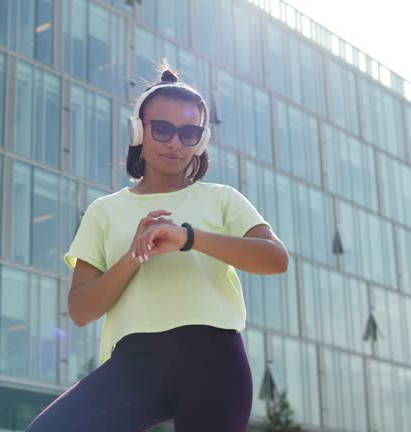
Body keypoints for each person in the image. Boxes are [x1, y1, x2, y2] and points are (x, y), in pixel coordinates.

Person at [26, 67, 289, 432]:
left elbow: (276, 259)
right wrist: (134, 257)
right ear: (139, 131)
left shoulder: (223, 199)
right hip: (135, 362)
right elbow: (81, 310)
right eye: (162, 129)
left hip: (215, 359)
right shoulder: (105, 211)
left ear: (201, 139)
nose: (175, 143)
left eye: (189, 133)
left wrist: (188, 238)